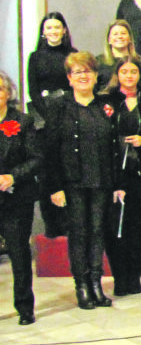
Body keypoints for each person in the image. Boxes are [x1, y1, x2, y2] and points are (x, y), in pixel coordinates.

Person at [43, 51, 125, 309]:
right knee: (79, 234)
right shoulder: (59, 106)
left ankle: (96, 284)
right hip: (72, 182)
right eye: (77, 72)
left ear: (95, 75)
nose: (83, 76)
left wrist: (118, 182)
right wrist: (55, 186)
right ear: (69, 78)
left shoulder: (105, 106)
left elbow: (115, 146)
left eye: (87, 71)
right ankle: (82, 285)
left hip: (101, 179)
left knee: (98, 232)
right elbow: (50, 148)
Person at [102, 58, 141, 296]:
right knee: (114, 227)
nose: (129, 75)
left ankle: (133, 278)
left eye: (133, 71)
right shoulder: (106, 102)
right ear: (117, 74)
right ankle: (119, 277)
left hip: (139, 172)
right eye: (124, 71)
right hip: (113, 172)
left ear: (139, 74)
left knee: (135, 226)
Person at [26, 12, 75, 237]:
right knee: (47, 170)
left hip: (69, 114)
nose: (54, 31)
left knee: (68, 167)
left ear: (64, 30)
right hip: (44, 118)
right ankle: (52, 226)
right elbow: (34, 91)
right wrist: (49, 114)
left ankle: (70, 222)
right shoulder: (35, 57)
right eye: (49, 28)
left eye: (57, 27)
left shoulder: (73, 54)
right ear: (43, 32)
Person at [0, 70, 41, 324]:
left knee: (18, 252)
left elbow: (36, 158)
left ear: (7, 92)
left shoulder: (22, 122)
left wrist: (12, 177)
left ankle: (25, 306)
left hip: (16, 198)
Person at [96, 19, 141, 91]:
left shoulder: (139, 61)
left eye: (123, 33)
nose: (120, 36)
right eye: (115, 34)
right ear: (109, 40)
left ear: (129, 39)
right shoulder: (98, 62)